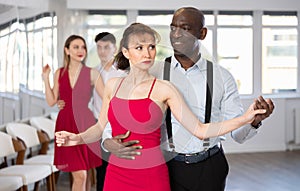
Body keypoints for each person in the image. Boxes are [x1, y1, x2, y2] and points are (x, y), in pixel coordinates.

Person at [55, 23, 267, 191]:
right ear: (126, 52)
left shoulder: (164, 89)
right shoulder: (112, 85)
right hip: (117, 173)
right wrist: (77, 138)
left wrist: (246, 118)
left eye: (151, 47)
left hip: (151, 175)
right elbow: (101, 127)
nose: (148, 53)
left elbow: (200, 130)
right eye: (140, 47)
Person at [102, 7, 275, 191]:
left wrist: (253, 121)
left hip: (210, 166)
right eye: (173, 28)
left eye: (184, 28)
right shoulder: (151, 71)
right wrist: (107, 141)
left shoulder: (222, 78)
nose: (176, 34)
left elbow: (238, 135)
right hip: (168, 166)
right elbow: (116, 113)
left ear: (202, 33)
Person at [42, 34, 104, 191]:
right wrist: (45, 79)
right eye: (76, 47)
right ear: (67, 50)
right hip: (65, 124)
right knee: (80, 174)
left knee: (85, 173)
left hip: (85, 123)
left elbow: (107, 98)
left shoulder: (92, 73)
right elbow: (51, 101)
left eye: (83, 47)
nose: (80, 50)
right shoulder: (59, 73)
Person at [92, 32, 127, 191]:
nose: (102, 51)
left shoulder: (123, 73)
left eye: (106, 47)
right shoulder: (93, 72)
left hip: (116, 127)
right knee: (100, 170)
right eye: (99, 47)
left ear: (114, 48)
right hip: (98, 125)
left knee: (116, 168)